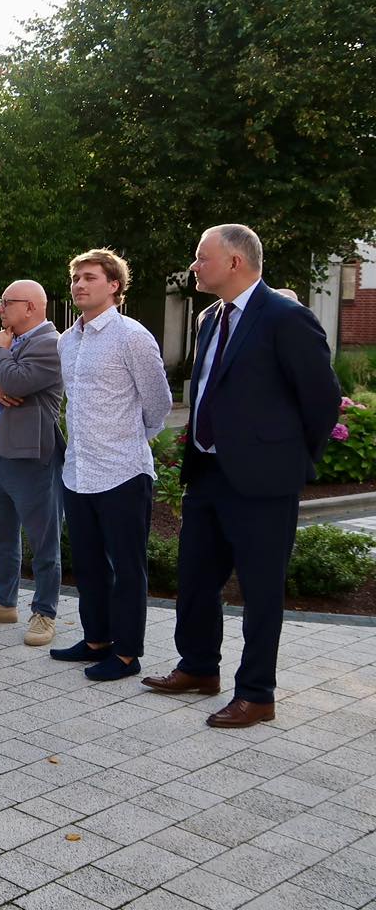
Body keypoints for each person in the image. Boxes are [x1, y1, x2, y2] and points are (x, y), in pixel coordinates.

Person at [142, 225, 340, 728]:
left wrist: (289, 459)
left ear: (234, 262)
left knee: (260, 590)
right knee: (195, 578)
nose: (194, 266)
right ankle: (198, 667)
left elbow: (321, 399)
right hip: (208, 471)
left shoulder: (286, 317)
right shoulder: (210, 317)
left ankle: (256, 694)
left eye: (201, 257)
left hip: (264, 482)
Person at [54, 250, 172, 680]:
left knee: (127, 568)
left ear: (114, 285)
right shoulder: (67, 341)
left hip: (123, 471)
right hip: (78, 472)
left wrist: (128, 438)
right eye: (76, 278)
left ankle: (126, 654)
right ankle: (96, 640)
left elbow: (159, 403)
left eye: (90, 278)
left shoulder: (132, 336)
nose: (79, 285)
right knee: (88, 564)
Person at [0, 280, 65, 646]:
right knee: (0, 534)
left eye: (6, 303)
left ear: (30, 307)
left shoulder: (50, 344)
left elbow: (18, 383)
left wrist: (1, 355)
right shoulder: (5, 340)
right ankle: (3, 601)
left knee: (43, 540)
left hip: (32, 456)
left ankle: (45, 612)